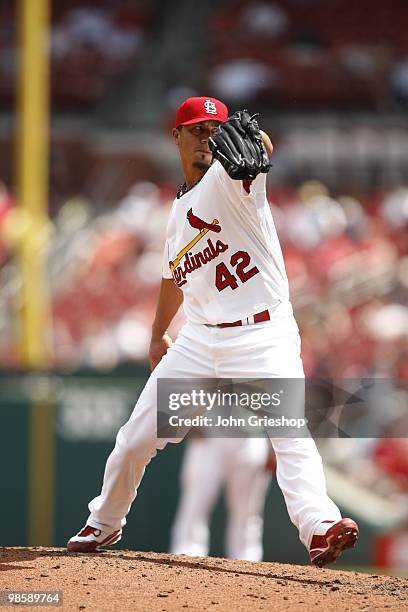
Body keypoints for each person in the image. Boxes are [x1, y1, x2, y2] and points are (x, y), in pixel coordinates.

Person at [67, 96, 359, 567]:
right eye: (198, 129)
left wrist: (259, 145)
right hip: (199, 342)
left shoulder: (233, 180)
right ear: (176, 136)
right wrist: (158, 332)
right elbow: (171, 275)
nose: (208, 136)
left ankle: (319, 526)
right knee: (135, 438)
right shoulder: (176, 214)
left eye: (215, 129)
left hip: (263, 334)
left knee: (289, 431)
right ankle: (104, 521)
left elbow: (258, 151)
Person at [170, 435, 273, 561]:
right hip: (208, 435)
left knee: (248, 511)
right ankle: (186, 559)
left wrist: (273, 446)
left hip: (251, 436)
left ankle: (247, 562)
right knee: (195, 505)